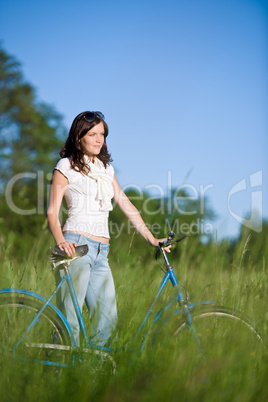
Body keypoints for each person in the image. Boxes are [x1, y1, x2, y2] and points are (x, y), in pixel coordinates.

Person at [47, 111, 170, 347]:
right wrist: (61, 241)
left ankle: (93, 379)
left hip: (102, 252)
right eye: (92, 134)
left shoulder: (106, 168)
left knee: (107, 322)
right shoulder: (66, 166)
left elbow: (125, 203)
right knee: (69, 323)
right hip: (75, 246)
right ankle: (53, 377)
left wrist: (152, 239)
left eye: (102, 134)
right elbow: (52, 211)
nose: (99, 139)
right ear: (79, 136)